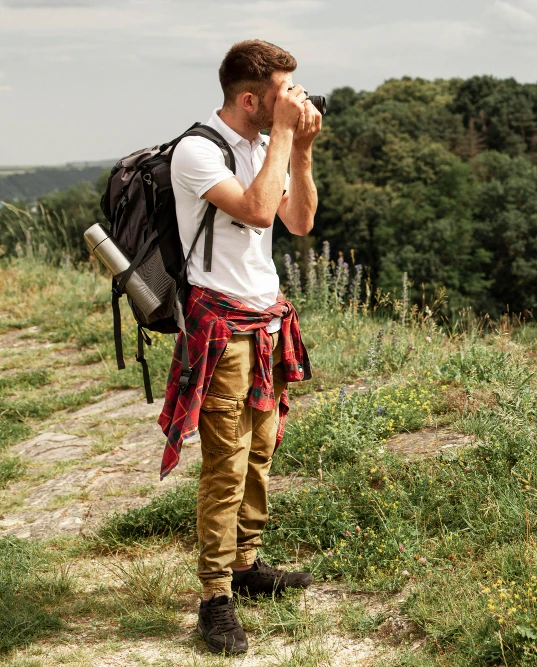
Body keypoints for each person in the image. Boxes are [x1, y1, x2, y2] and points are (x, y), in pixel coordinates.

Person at [157, 39, 320, 655]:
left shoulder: (263, 143)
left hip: (266, 321)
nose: (291, 102)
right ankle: (213, 599)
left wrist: (299, 149)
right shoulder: (198, 151)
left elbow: (298, 222)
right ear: (250, 98)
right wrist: (281, 136)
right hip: (222, 327)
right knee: (225, 466)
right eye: (280, 94)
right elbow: (256, 212)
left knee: (261, 452)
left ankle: (246, 563)